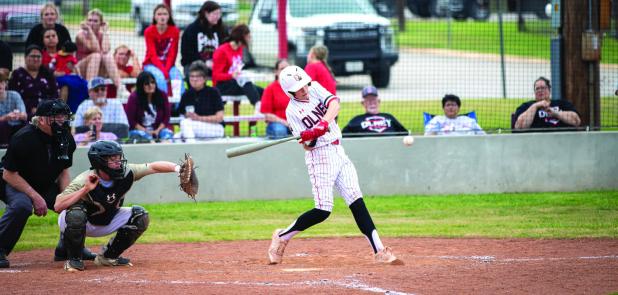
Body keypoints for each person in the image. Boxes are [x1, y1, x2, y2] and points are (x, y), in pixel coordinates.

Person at [267, 65, 400, 265]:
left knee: (356, 201)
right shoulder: (292, 112)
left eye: (304, 84)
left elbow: (334, 104)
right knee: (323, 210)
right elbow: (307, 147)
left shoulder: (315, 88)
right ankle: (282, 237)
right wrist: (309, 137)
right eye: (299, 88)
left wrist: (322, 125)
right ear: (289, 91)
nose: (304, 90)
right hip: (320, 157)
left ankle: (379, 250)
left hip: (339, 151)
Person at [53, 140, 184, 271]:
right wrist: (85, 189)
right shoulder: (84, 179)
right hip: (79, 221)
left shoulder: (127, 172)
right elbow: (58, 206)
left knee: (140, 216)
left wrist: (178, 169)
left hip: (107, 220)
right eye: (112, 158)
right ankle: (74, 260)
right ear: (99, 161)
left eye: (119, 157)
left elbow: (153, 167)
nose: (118, 161)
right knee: (76, 214)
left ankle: (107, 257)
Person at [0, 99, 94, 269]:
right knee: (22, 206)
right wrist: (35, 197)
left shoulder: (66, 138)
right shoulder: (23, 138)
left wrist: (67, 198)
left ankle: (68, 248)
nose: (62, 120)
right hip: (13, 181)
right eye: (56, 117)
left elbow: (64, 171)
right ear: (41, 119)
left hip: (44, 183)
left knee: (75, 205)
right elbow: (9, 174)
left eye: (64, 116)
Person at [212, 24, 263, 108]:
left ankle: (256, 115)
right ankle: (257, 106)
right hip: (222, 86)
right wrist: (232, 75)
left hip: (236, 83)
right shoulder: (222, 51)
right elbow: (216, 76)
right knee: (244, 79)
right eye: (248, 37)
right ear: (242, 37)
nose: (250, 39)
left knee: (262, 92)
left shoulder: (239, 49)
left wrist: (237, 74)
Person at [177, 61, 224, 142]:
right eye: (192, 76)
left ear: (205, 78)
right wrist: (187, 115)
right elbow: (181, 115)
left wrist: (198, 118)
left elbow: (219, 118)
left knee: (185, 124)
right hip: (193, 128)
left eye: (198, 76)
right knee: (176, 137)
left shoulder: (213, 92)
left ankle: (193, 151)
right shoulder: (186, 95)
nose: (194, 79)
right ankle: (191, 151)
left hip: (215, 128)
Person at [75, 9, 122, 91]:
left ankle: (121, 88)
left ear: (101, 23)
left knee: (107, 56)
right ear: (86, 21)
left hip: (97, 71)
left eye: (95, 21)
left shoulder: (101, 34)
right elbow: (96, 49)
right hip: (81, 70)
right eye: (89, 20)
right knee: (96, 56)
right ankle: (89, 90)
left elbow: (105, 50)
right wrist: (89, 30)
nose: (91, 23)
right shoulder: (80, 34)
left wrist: (105, 32)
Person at [8, 45, 59, 120]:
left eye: (38, 56)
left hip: (47, 113)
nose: (35, 59)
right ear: (25, 58)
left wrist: (43, 109)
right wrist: (30, 109)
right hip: (23, 113)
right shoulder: (17, 74)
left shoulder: (47, 73)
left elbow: (55, 94)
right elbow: (13, 97)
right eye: (32, 56)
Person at [143, 4, 183, 97]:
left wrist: (167, 69)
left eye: (165, 14)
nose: (162, 17)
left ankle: (178, 106)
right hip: (151, 64)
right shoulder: (149, 31)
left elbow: (173, 54)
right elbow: (152, 55)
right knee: (160, 78)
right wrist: (164, 72)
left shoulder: (175, 31)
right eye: (159, 14)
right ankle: (163, 105)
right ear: (154, 16)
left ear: (169, 16)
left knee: (177, 78)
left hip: (169, 65)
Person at [180, 0, 228, 78]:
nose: (218, 17)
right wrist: (205, 62)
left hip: (216, 65)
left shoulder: (222, 30)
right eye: (215, 14)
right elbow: (186, 55)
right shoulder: (192, 30)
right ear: (206, 14)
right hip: (194, 65)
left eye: (219, 14)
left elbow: (226, 48)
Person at [514, 77, 581, 132]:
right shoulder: (527, 106)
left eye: (543, 88)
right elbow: (519, 127)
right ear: (534, 92)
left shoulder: (562, 104)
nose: (540, 90)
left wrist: (556, 113)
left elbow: (576, 121)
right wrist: (535, 106)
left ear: (549, 90)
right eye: (537, 89)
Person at [125, 71, 173, 143]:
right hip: (139, 130)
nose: (150, 85)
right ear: (141, 85)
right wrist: (146, 131)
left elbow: (166, 118)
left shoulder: (162, 95)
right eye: (147, 83)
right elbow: (131, 121)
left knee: (167, 136)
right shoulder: (133, 98)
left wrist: (157, 130)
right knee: (148, 140)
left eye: (152, 82)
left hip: (158, 130)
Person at [342, 86, 407, 135]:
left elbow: (405, 134)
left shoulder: (389, 117)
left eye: (373, 100)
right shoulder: (356, 120)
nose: (371, 103)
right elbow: (343, 138)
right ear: (363, 103)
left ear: (379, 101)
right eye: (368, 100)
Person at [260, 59, 291, 139]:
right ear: (276, 72)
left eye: (287, 69)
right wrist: (286, 123)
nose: (285, 71)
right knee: (280, 131)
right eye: (282, 69)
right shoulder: (270, 89)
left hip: (295, 122)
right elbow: (267, 115)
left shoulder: (296, 87)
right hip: (277, 123)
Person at [0, 73, 27, 146]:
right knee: (2, 125)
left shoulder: (15, 95)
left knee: (27, 125)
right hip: (3, 128)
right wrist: (6, 117)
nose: (0, 85)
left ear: (5, 84)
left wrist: (17, 115)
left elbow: (24, 116)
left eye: (1, 82)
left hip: (17, 126)